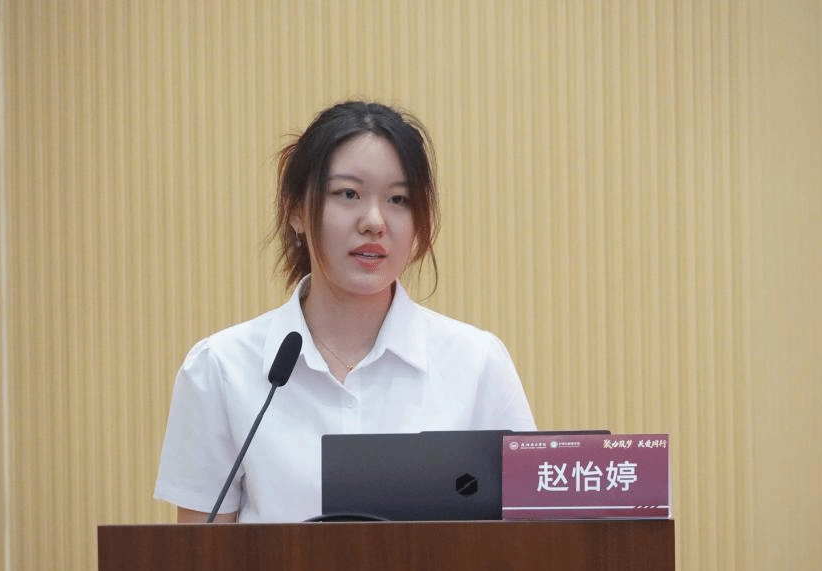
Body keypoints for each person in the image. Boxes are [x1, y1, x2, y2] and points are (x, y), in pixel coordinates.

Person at [154, 101, 536, 524]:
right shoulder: (221, 368)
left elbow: (526, 539)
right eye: (348, 194)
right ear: (296, 209)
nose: (374, 221)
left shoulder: (477, 364)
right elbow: (201, 553)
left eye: (398, 199)